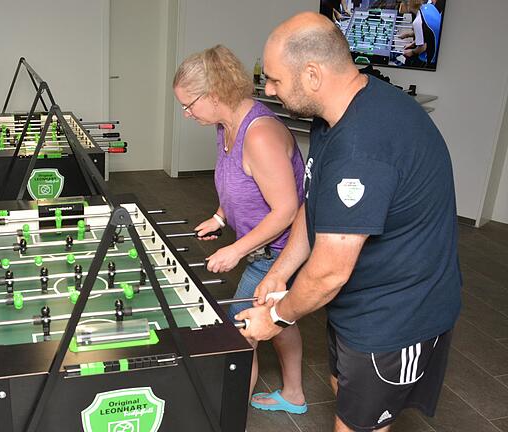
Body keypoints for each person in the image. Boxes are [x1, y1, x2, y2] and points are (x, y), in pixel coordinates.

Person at [239, 12, 461, 431]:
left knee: (358, 425)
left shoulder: (362, 146)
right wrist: (280, 273)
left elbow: (328, 273)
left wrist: (276, 317)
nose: (267, 90)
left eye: (274, 80)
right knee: (343, 387)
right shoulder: (335, 116)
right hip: (358, 303)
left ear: (312, 74)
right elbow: (315, 205)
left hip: (397, 314)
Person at [173, 45, 307, 414]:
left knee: (239, 331)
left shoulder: (260, 135)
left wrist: (235, 250)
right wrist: (220, 217)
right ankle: (294, 393)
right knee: (282, 317)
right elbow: (234, 183)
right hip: (263, 249)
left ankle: (225, 415)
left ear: (215, 95)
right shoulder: (224, 125)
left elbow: (286, 211)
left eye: (189, 105)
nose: (187, 114)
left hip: (279, 252)